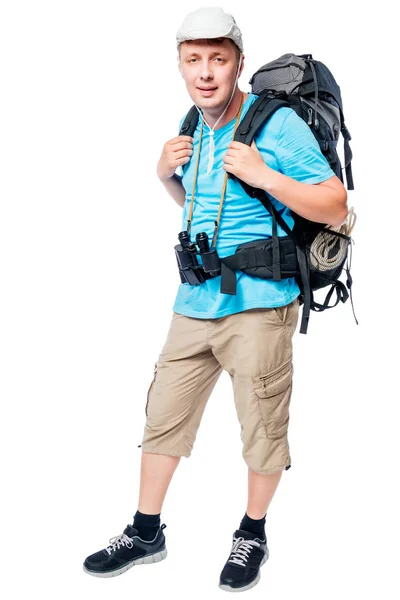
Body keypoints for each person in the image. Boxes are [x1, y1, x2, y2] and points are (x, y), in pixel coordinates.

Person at [83, 6, 348, 592]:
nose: (206, 72)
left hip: (260, 305)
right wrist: (163, 177)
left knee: (261, 426)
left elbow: (336, 205)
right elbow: (207, 212)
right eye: (194, 60)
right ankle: (146, 531)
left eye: (218, 60)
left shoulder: (274, 125)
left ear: (238, 65)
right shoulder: (192, 126)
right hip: (195, 301)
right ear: (180, 66)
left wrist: (268, 174)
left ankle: (252, 533)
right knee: (162, 418)